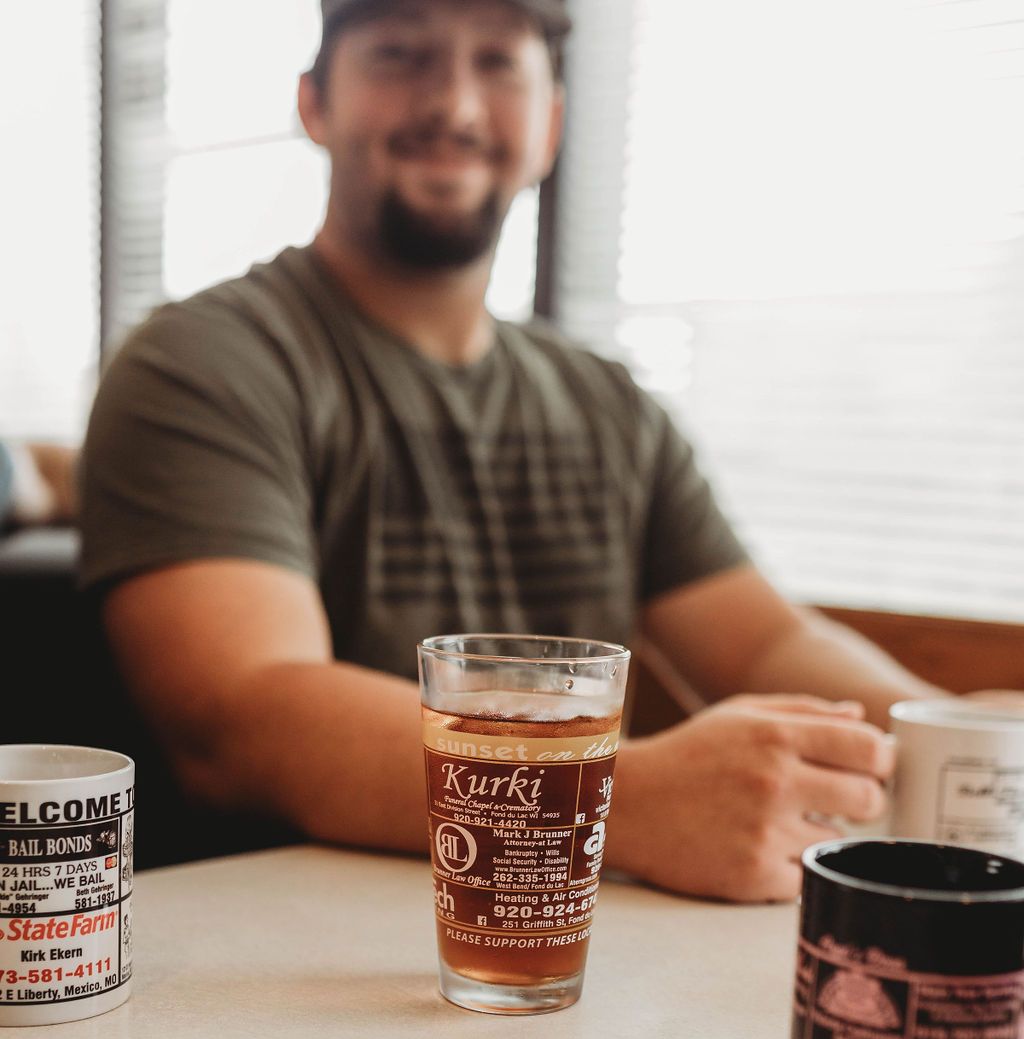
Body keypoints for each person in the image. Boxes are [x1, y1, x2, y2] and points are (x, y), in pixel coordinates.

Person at [81, 0, 950, 901]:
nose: (453, 104)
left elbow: (769, 643)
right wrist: (626, 798)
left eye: (497, 63)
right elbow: (240, 717)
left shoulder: (609, 405)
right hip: (284, 948)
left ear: (551, 128)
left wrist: (958, 741)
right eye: (400, 54)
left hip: (570, 940)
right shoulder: (202, 362)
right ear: (314, 103)